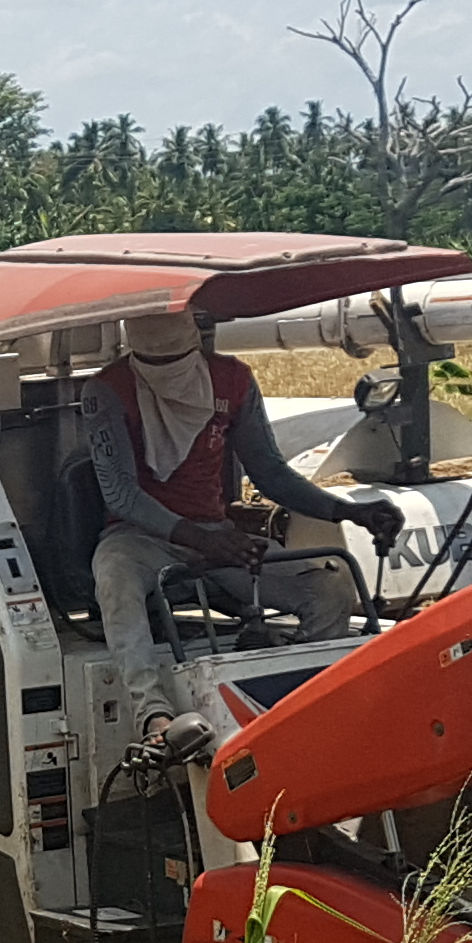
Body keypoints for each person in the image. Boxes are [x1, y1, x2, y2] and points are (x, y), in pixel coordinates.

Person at [84, 311, 402, 736]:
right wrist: (203, 540)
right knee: (114, 578)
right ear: (136, 359)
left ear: (195, 349)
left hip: (215, 533)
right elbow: (122, 496)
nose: (169, 377)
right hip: (141, 536)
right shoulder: (106, 391)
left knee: (328, 589)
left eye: (176, 366)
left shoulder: (232, 381)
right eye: (156, 369)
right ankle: (153, 714)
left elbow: (269, 471)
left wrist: (347, 511)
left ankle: (303, 702)